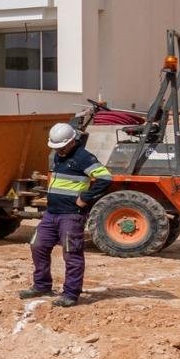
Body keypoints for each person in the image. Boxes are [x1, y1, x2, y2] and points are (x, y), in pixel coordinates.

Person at [22, 121, 112, 308]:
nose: (59, 150)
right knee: (37, 246)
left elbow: (105, 178)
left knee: (72, 254)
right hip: (52, 213)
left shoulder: (84, 157)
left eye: (62, 147)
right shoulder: (58, 156)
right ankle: (42, 285)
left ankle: (71, 294)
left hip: (71, 215)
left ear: (72, 141)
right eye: (57, 147)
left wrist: (85, 197)